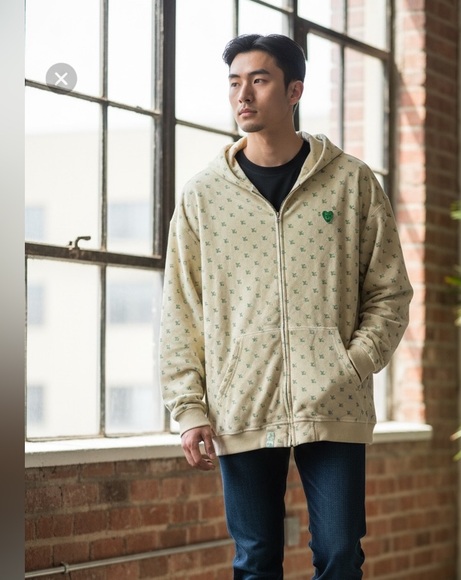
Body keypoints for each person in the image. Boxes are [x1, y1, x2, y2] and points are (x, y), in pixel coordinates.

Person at [159, 33, 413, 579]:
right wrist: (189, 409)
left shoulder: (351, 182)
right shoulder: (203, 195)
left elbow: (390, 290)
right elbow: (181, 308)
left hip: (335, 401)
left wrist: (353, 363)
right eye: (234, 82)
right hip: (241, 401)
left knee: (340, 553)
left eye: (259, 80)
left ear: (294, 90)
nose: (243, 94)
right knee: (255, 560)